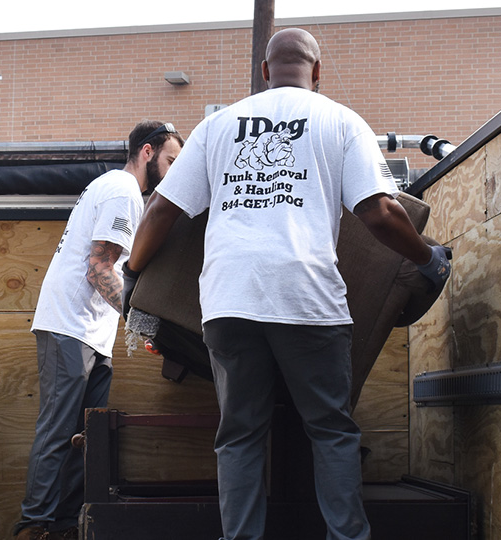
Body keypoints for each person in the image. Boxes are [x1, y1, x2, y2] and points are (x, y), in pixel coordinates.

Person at [122, 29, 451, 540]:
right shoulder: (341, 121)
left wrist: (132, 272)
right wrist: (428, 260)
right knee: (331, 431)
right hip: (309, 301)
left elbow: (162, 209)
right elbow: (381, 212)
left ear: (264, 72)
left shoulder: (217, 126)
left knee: (240, 436)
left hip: (230, 302)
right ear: (316, 72)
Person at [16, 120, 184, 540]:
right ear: (147, 152)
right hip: (70, 326)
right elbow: (98, 269)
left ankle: (64, 527)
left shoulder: (119, 191)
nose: (173, 171)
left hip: (91, 332)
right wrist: (140, 319)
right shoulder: (121, 190)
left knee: (84, 435)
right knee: (60, 430)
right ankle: (32, 525)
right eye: (170, 161)